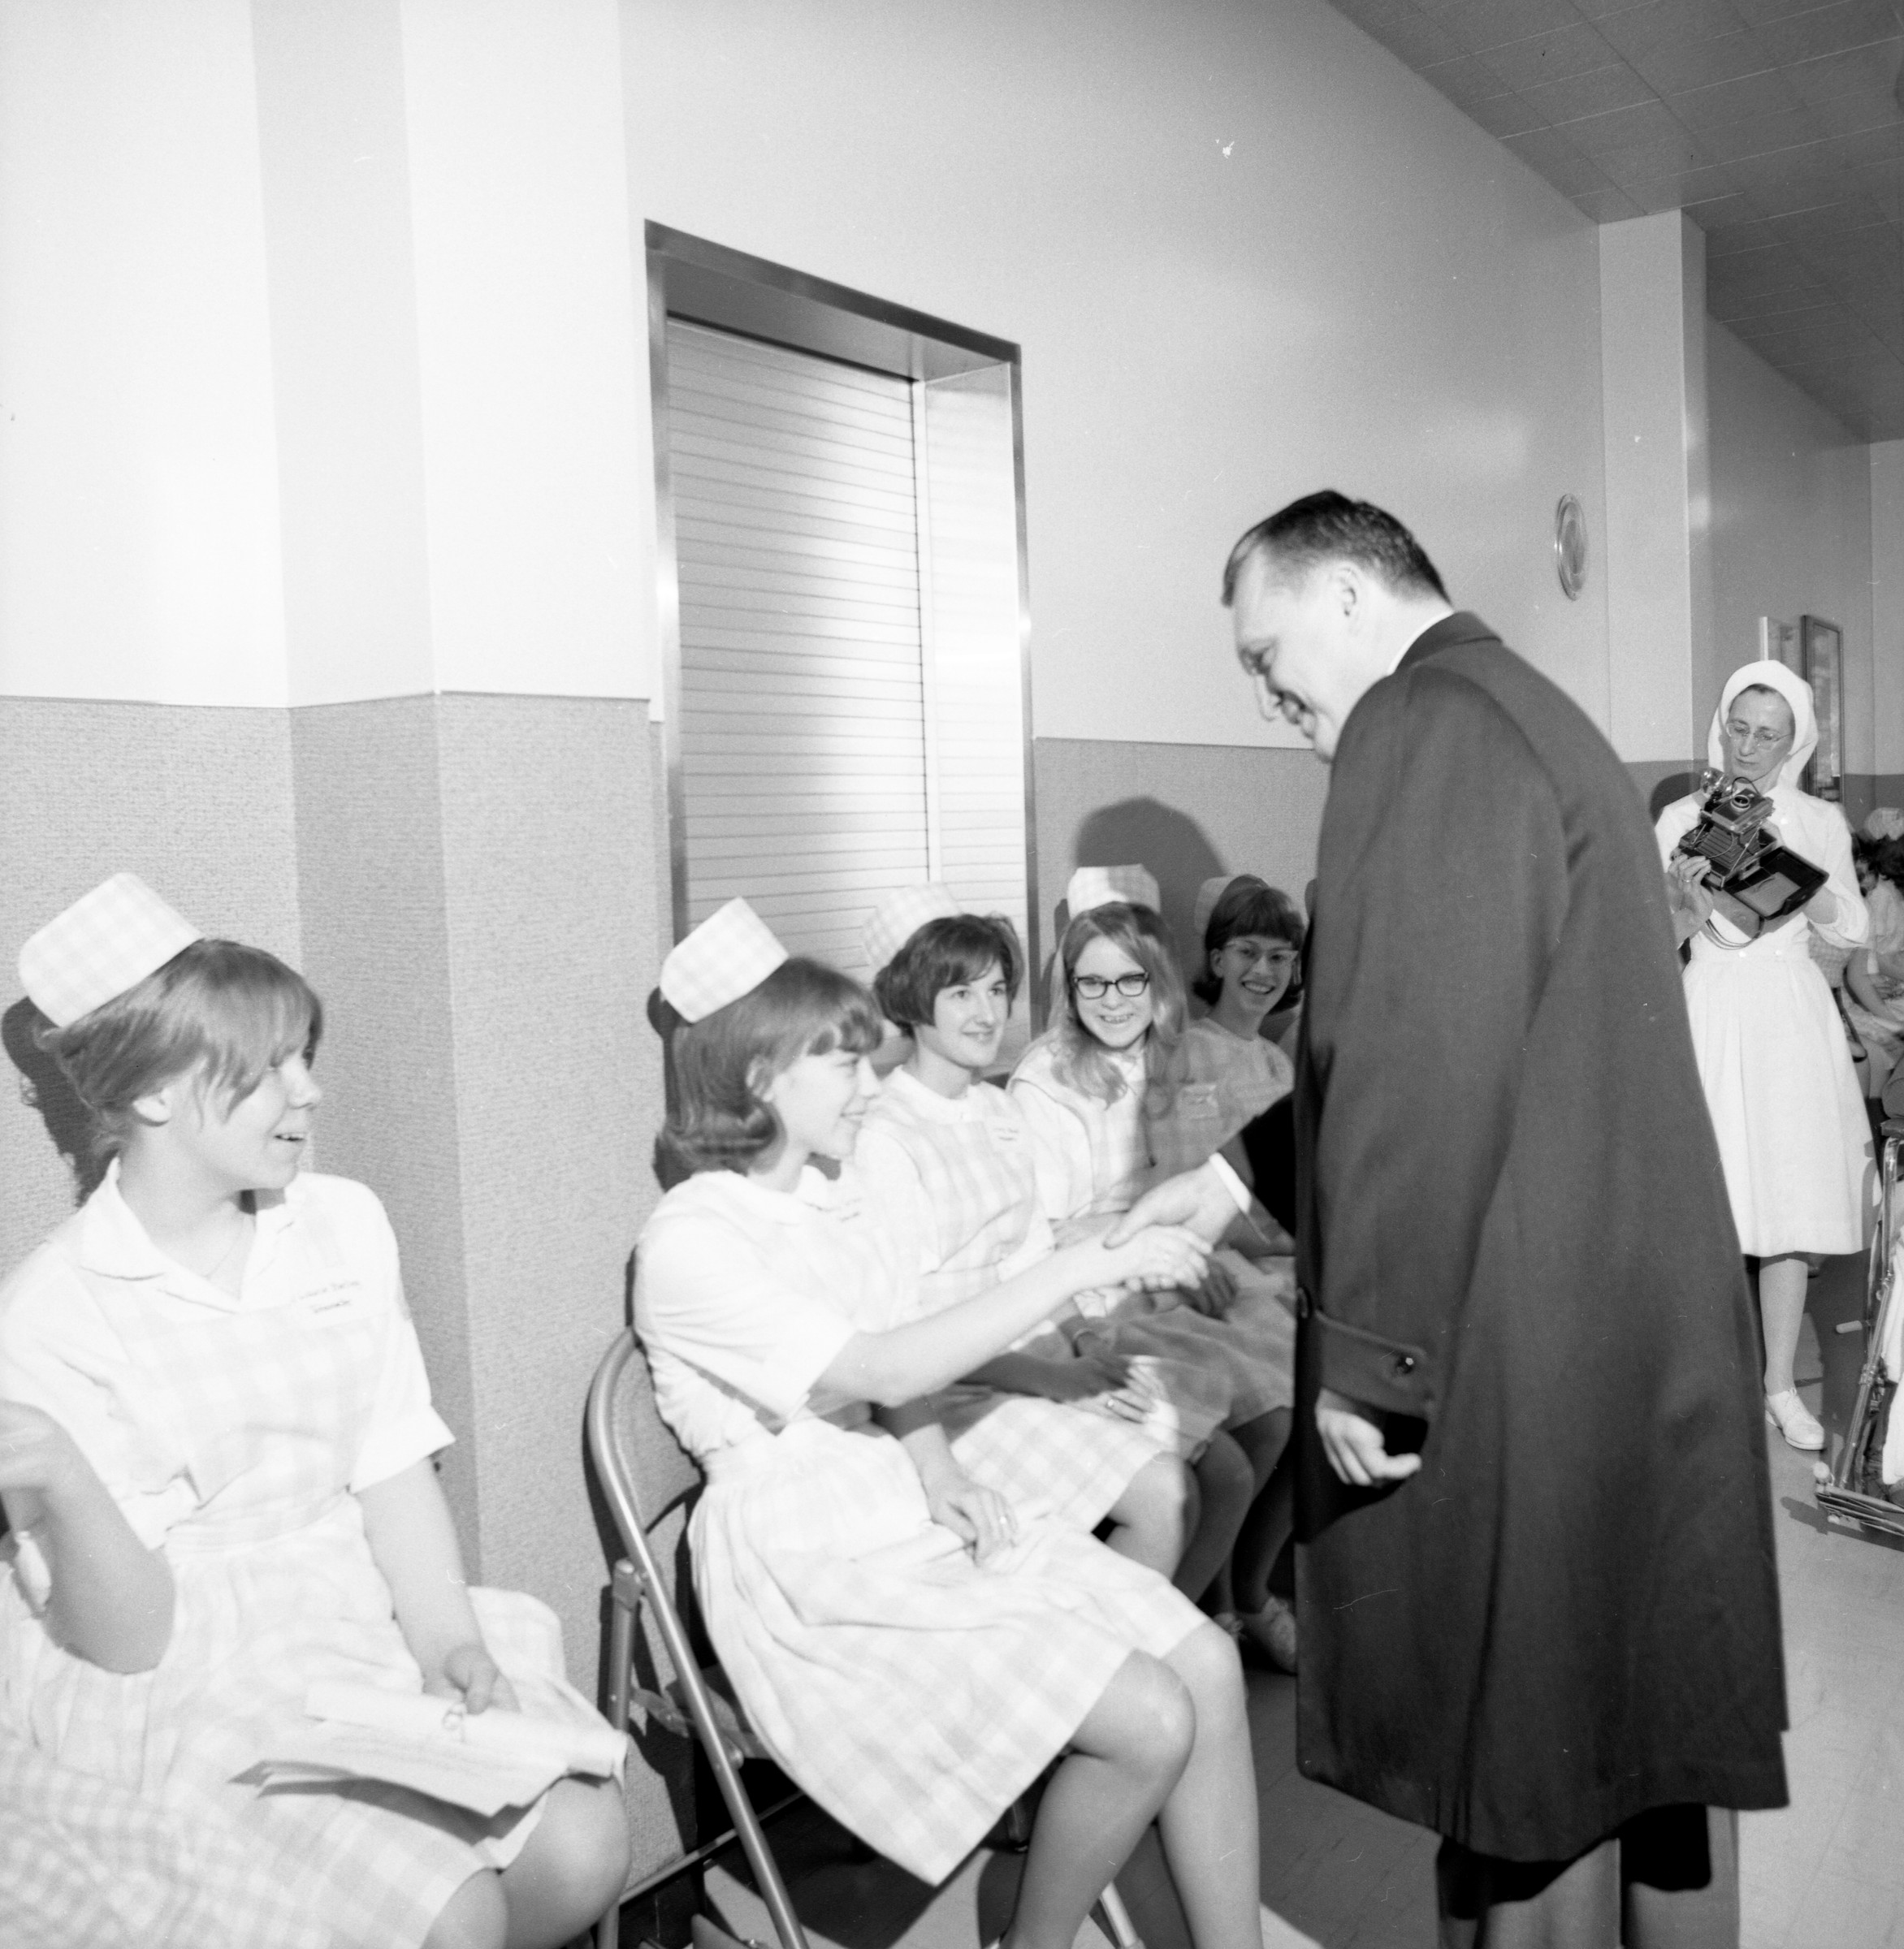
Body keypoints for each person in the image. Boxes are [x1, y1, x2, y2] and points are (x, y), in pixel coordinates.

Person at [1115, 492, 1786, 1946]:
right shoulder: (1527, 713)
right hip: (1625, 1326)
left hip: (1519, 1341)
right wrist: (1226, 1179)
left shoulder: (1413, 728)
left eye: (1266, 652)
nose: (1266, 693)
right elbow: (1455, 1030)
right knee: (1638, 1757)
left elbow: (1417, 1076)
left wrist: (1369, 1362)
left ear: (1351, 597)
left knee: (1521, 1761)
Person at [631, 897, 1303, 1949]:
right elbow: (885, 1363)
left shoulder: (828, 1197)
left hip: (900, 1494)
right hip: (807, 1557)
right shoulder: (692, 1239)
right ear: (760, 1076)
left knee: (1207, 1670)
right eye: (844, 1063)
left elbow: (898, 1376)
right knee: (1149, 1717)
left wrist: (942, 1475)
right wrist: (1085, 1267)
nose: (873, 1085)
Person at [0, 874, 630, 1949]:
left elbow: (389, 1460)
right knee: (452, 1913)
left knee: (586, 1849)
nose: (311, 1092)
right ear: (154, 1095)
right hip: (183, 1674)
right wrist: (58, 1472)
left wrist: (446, 1642)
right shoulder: (54, 1310)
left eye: (305, 1056)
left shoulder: (342, 1222)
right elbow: (128, 1640)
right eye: (270, 1070)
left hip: (351, 1613)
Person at [852, 886, 1204, 1583]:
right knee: (1165, 1490)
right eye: (960, 993)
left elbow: (1034, 1258)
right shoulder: (885, 1136)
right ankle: (1117, 1641)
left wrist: (1086, 1345)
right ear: (911, 1000)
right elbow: (908, 1337)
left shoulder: (996, 1110)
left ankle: (1174, 1625)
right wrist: (1056, 1379)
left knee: (1197, 1440)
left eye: (996, 990)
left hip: (1029, 1357)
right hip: (945, 1401)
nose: (987, 1013)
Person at [1010, 880, 1295, 1612]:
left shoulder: (1171, 1059)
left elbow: (1189, 1187)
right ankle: (1189, 1620)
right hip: (1090, 1298)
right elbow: (1049, 1236)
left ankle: (1226, 1601)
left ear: (1157, 982)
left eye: (1131, 980)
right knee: (1233, 1457)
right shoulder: (1045, 1081)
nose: (1113, 1001)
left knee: (1276, 1417)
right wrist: (1149, 1244)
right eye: (1093, 983)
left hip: (1163, 1274)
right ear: (1070, 989)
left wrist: (1175, 1248)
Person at [1657, 661, 1872, 1454]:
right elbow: (1649, 940)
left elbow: (1852, 928)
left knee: (1786, 1203)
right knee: (1706, 1203)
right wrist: (1683, 906)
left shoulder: (1817, 819)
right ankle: (1704, 1380)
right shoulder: (1680, 816)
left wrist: (1791, 870)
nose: (1748, 748)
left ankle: (1780, 1383)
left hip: (1788, 1014)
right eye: (1739, 729)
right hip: (1709, 1007)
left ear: (1795, 743)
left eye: (1768, 735)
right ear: (1722, 728)